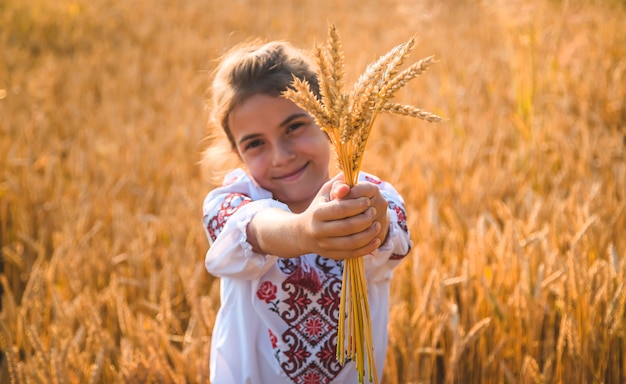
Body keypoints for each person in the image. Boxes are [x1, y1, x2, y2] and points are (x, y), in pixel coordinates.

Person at [201, 39, 412, 384]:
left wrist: (372, 218)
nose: (281, 155)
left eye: (294, 127)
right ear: (237, 154)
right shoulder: (230, 202)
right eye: (255, 143)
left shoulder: (371, 195)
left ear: (330, 123)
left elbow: (391, 237)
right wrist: (302, 231)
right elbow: (253, 228)